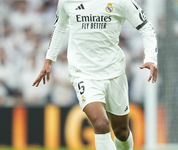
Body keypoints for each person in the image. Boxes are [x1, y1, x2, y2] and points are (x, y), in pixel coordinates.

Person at [32, 0, 158, 149]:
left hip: (114, 72)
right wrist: (48, 60)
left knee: (121, 132)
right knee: (101, 123)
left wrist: (150, 58)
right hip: (83, 73)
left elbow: (146, 27)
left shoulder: (121, 2)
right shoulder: (67, 2)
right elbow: (60, 28)